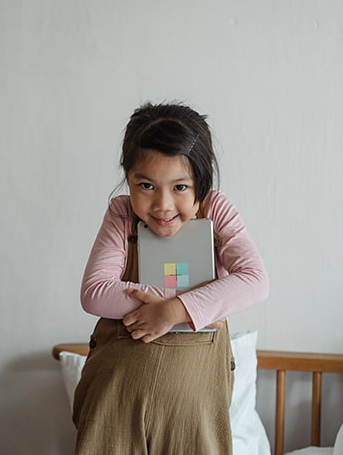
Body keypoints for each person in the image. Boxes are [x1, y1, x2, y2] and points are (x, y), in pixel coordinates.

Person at [73, 101, 269, 455]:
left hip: (195, 409)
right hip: (114, 400)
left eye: (180, 187)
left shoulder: (217, 210)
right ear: (128, 177)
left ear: (202, 183)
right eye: (146, 185)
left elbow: (254, 279)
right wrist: (165, 302)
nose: (162, 204)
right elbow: (95, 292)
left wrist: (176, 310)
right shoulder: (121, 214)